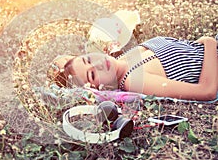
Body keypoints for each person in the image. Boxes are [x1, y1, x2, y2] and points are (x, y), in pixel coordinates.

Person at [47, 35, 218, 101]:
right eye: (92, 74)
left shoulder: (125, 58)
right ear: (98, 88)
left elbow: (61, 61)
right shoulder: (134, 80)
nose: (98, 64)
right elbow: (206, 91)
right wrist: (209, 43)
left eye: (89, 59)